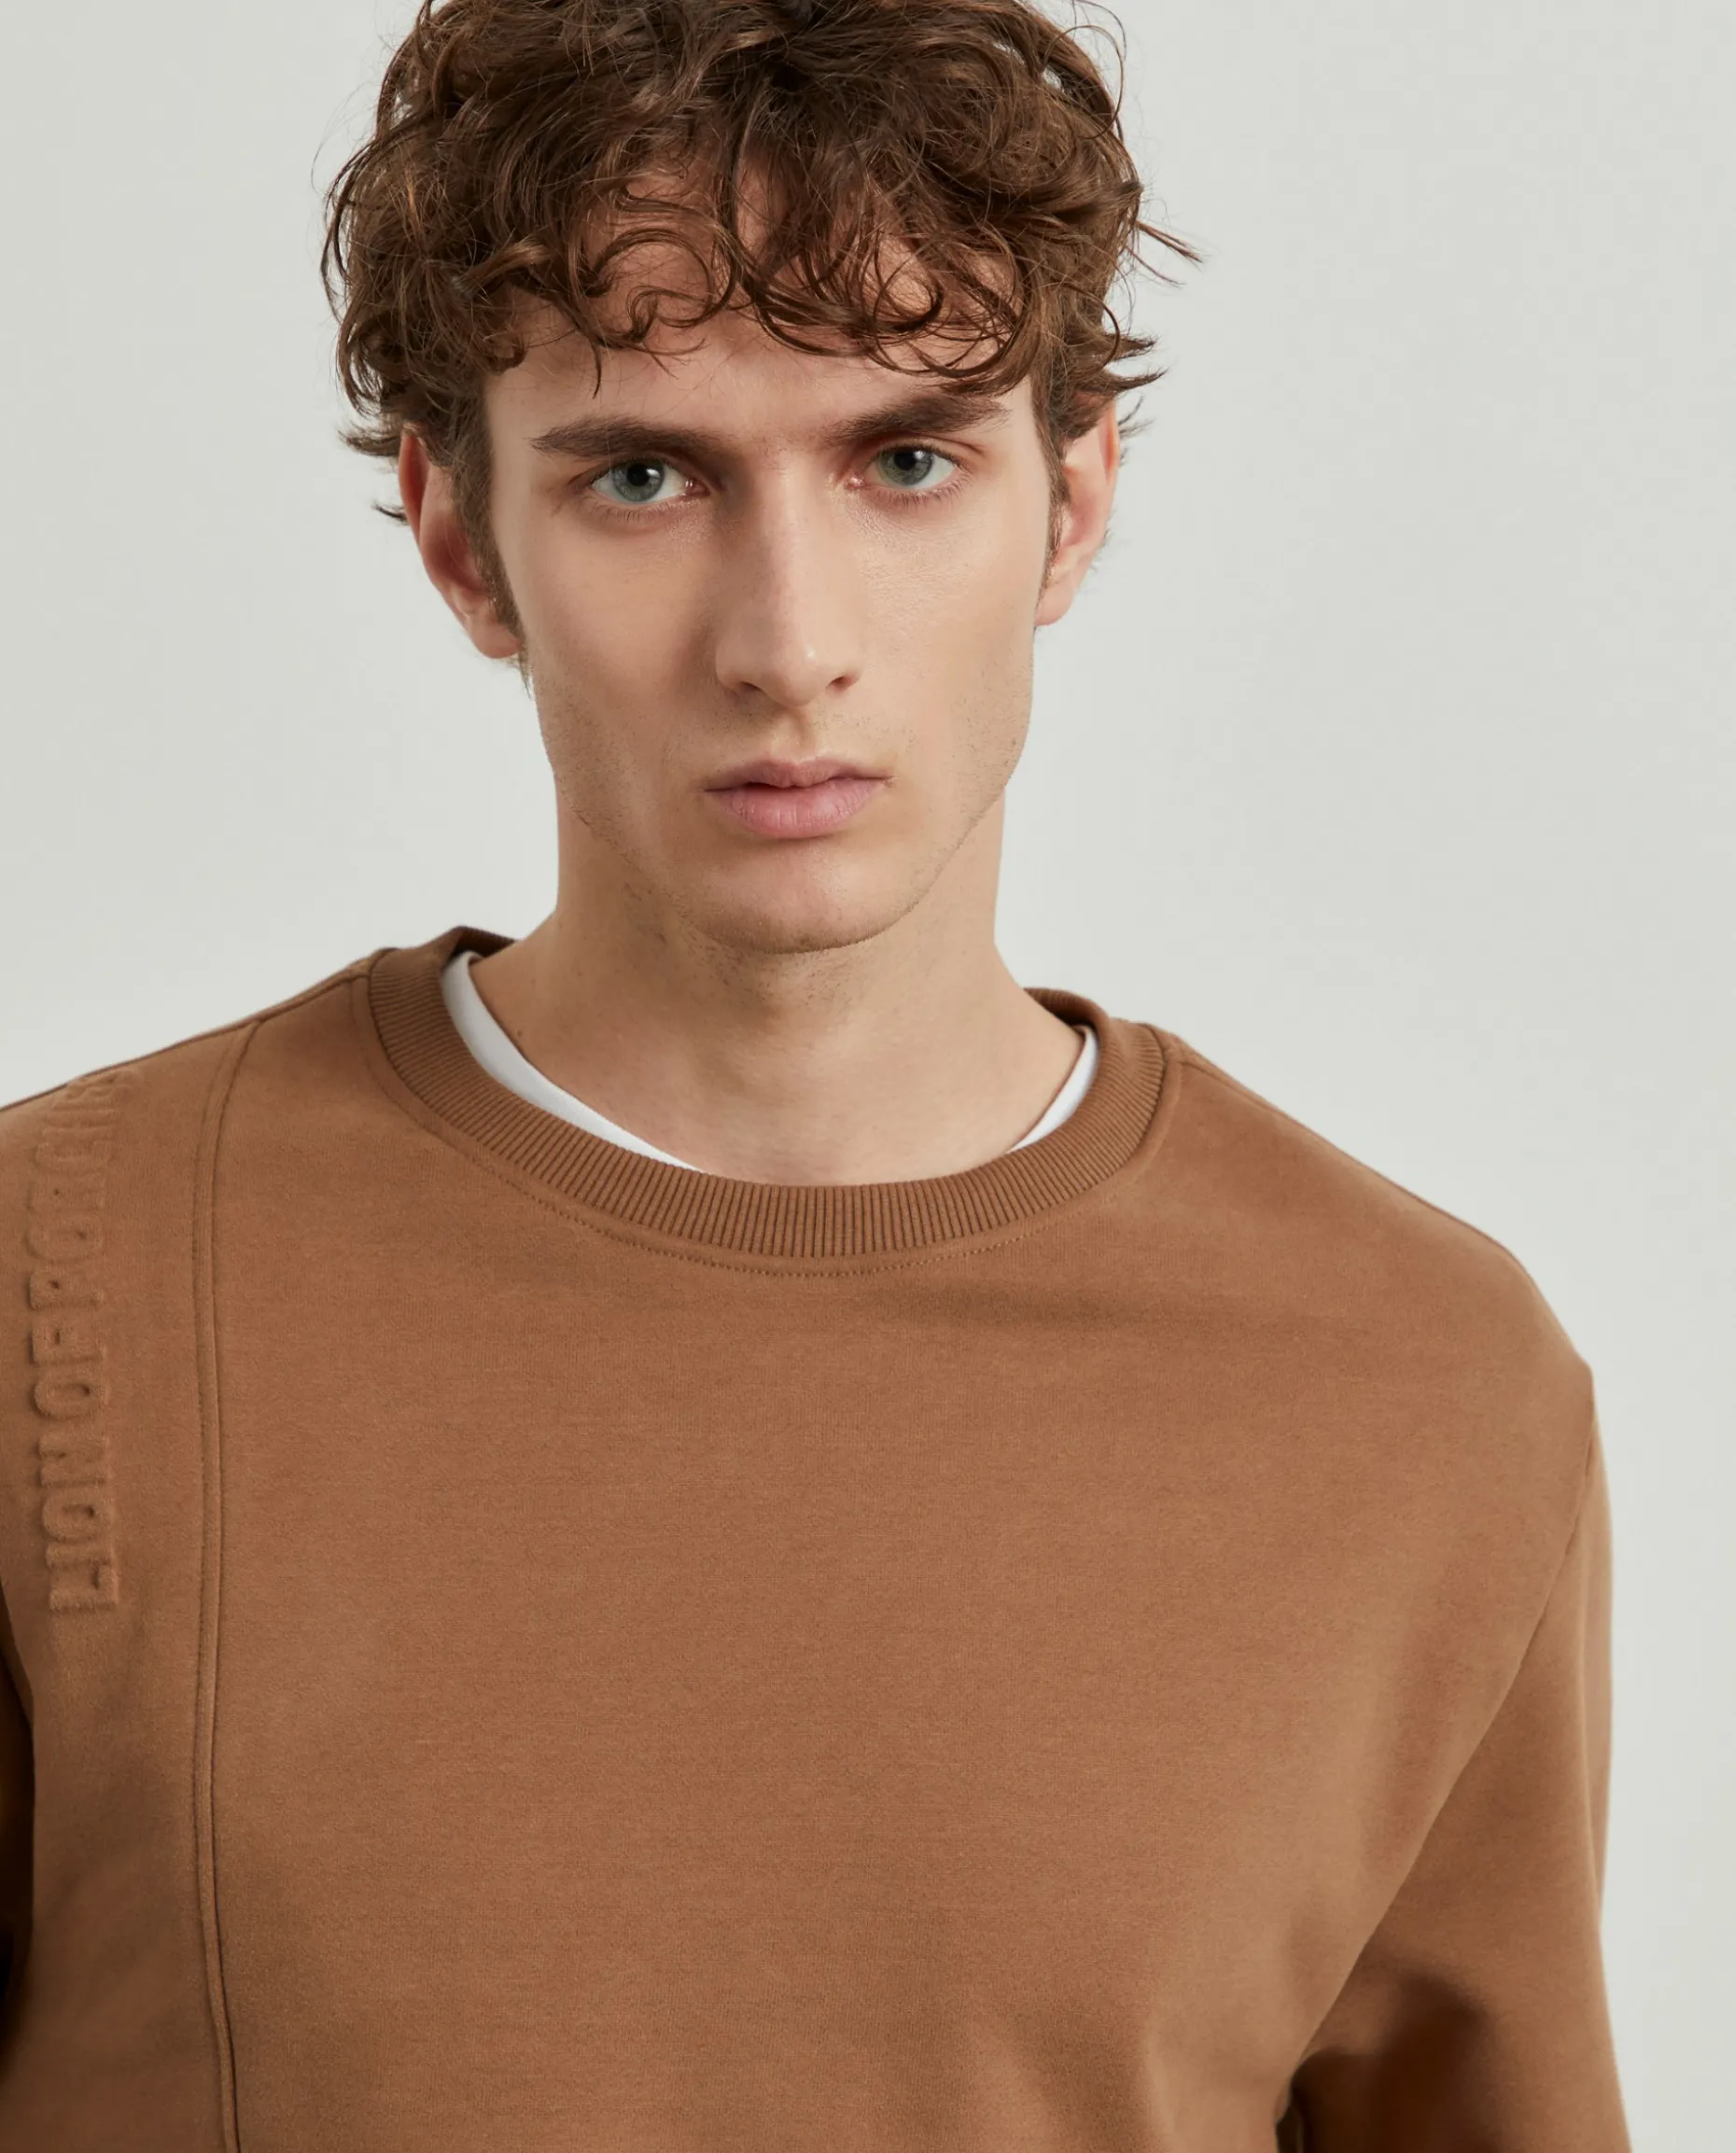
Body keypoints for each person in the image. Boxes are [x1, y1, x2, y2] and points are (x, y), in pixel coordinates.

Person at [0, 0, 1630, 2145]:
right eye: (646, 476)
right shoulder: (60, 1270)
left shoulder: (1426, 1383)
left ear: (1071, 506)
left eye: (906, 462)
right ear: (461, 539)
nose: (789, 641)